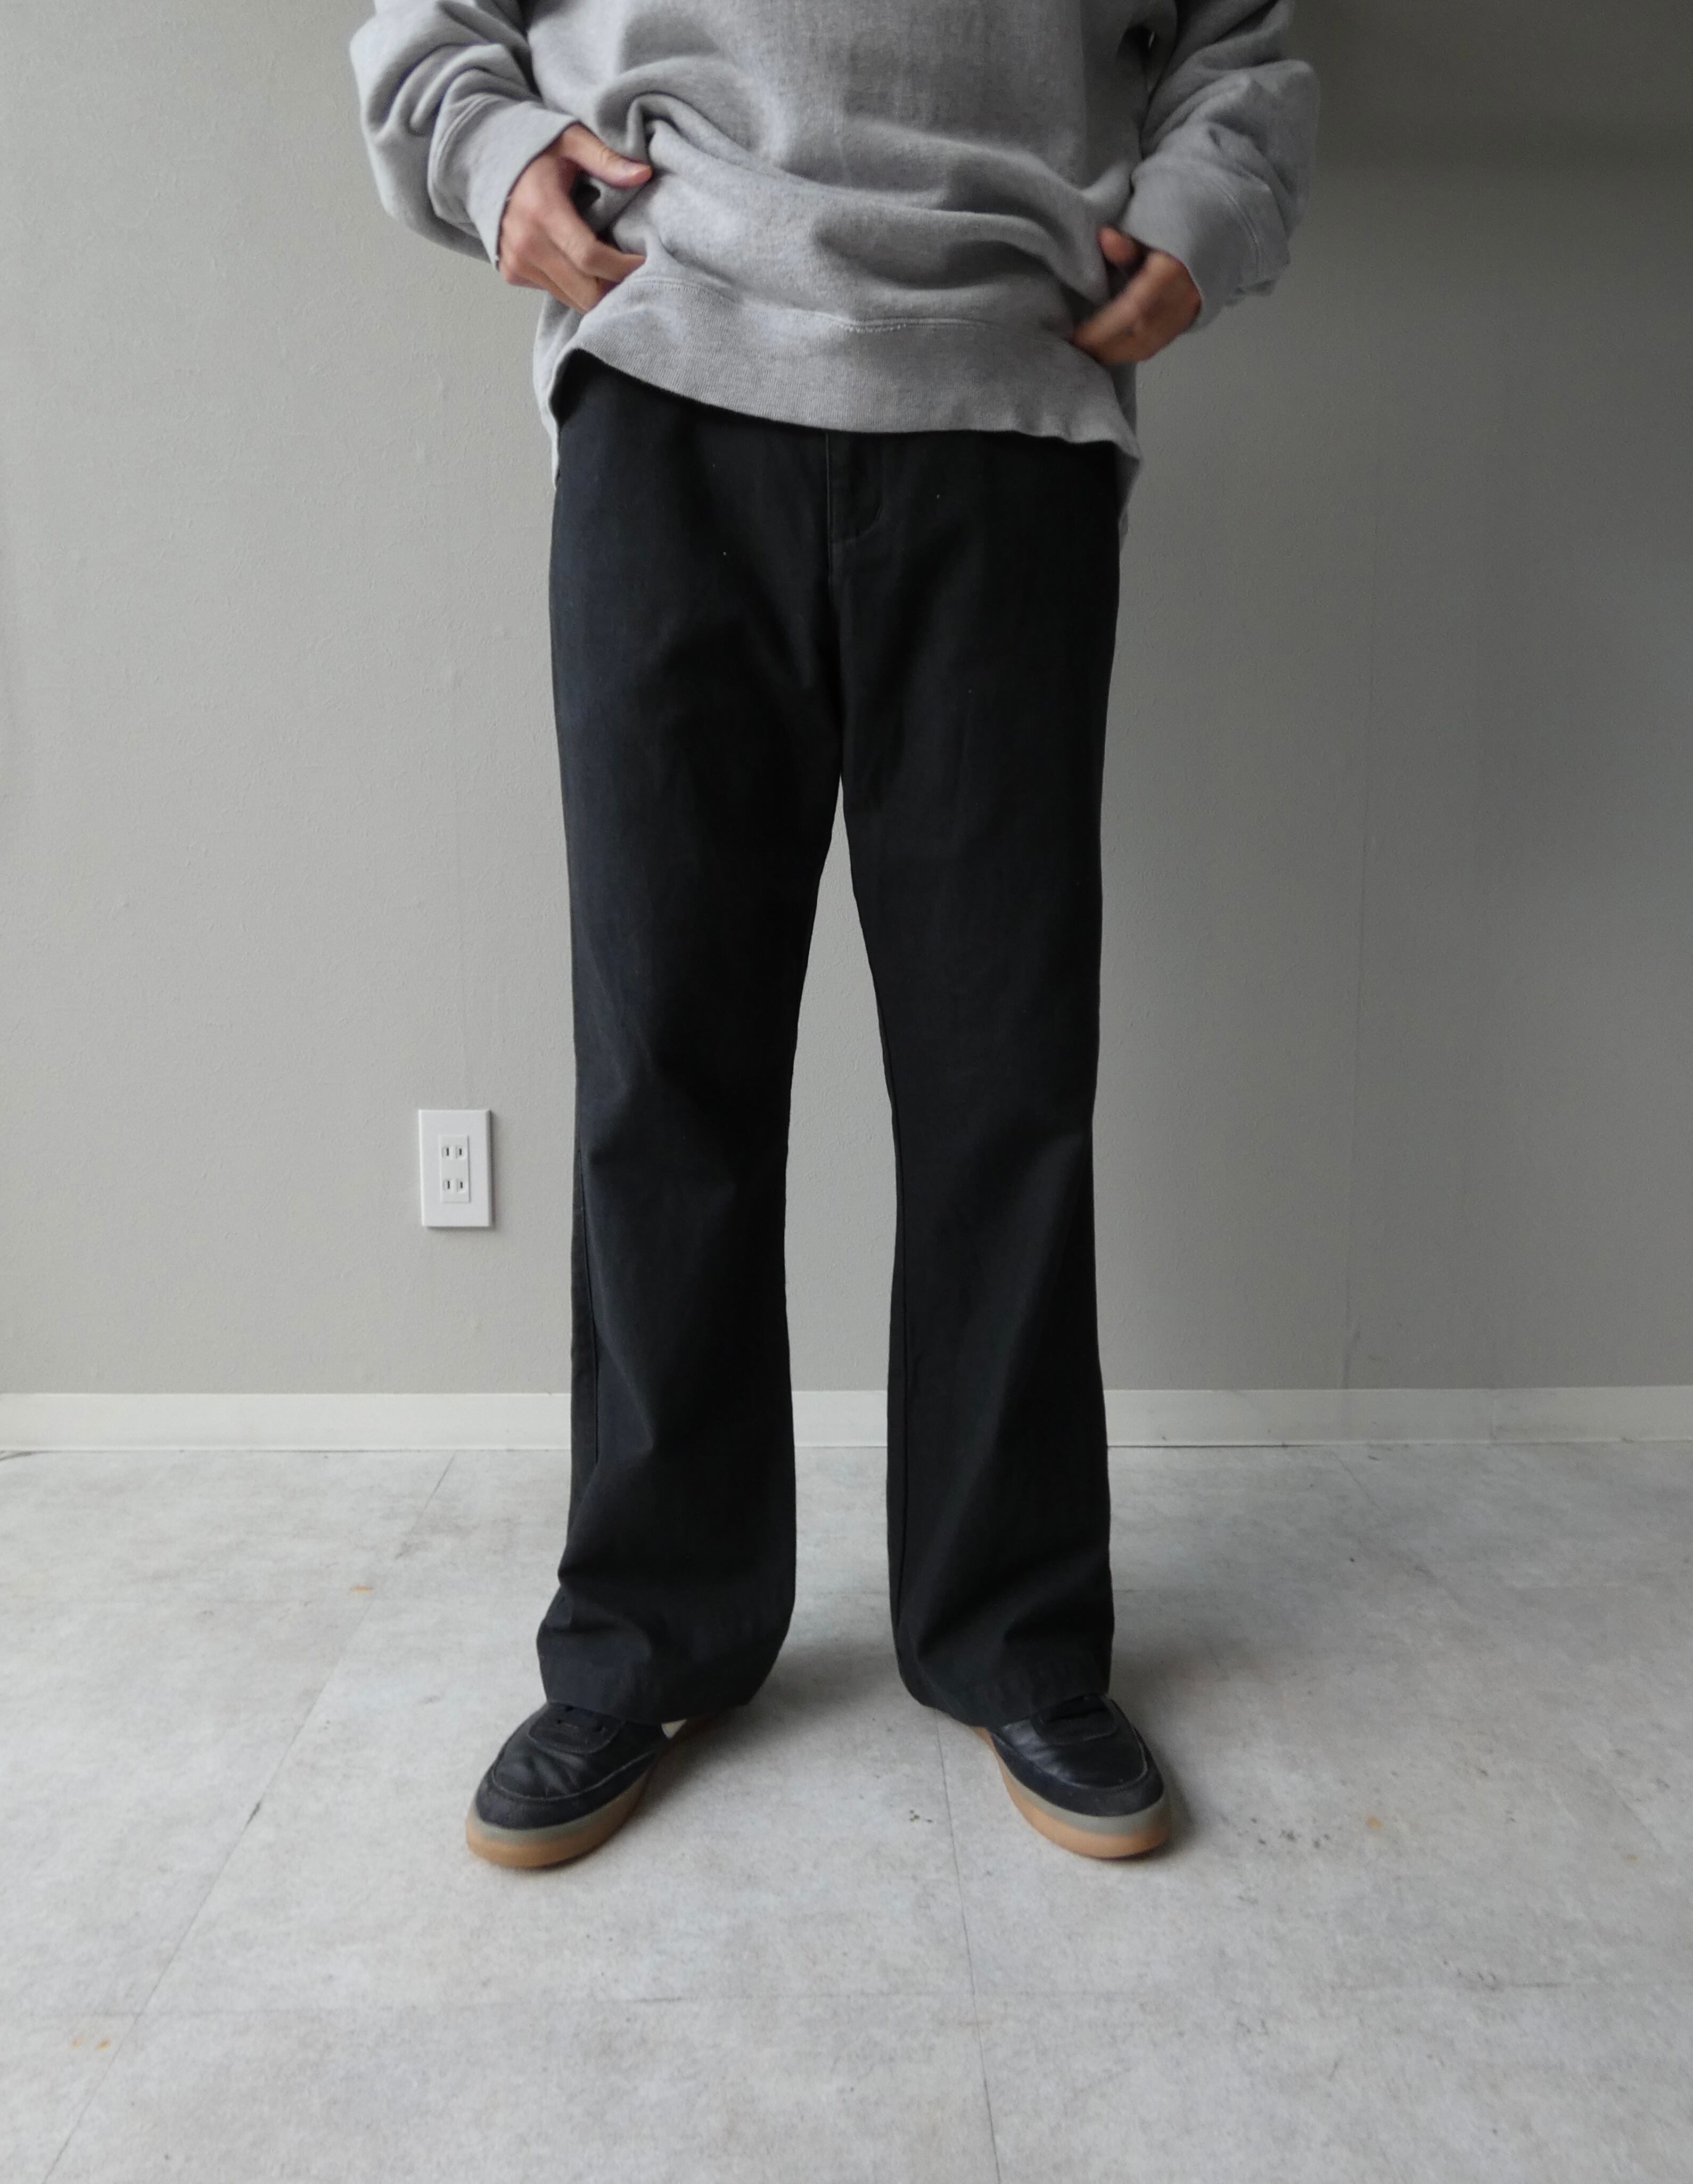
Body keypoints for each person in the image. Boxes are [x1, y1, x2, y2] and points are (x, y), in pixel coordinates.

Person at [351, 0, 1317, 1866]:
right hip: (671, 378)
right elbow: (431, 20)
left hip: (1004, 404)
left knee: (1002, 1076)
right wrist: (487, 151)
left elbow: (1243, 43)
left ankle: (1016, 1634)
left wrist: (1203, 217)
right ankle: (646, 1637)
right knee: (663, 1062)